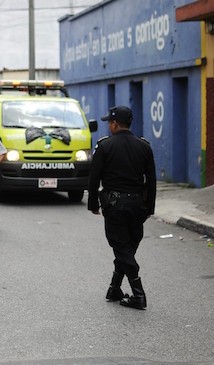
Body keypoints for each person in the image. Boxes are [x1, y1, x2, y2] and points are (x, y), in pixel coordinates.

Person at [88, 105, 156, 310]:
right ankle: (114, 288)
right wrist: (149, 208)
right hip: (138, 206)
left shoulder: (104, 146)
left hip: (114, 206)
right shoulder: (144, 146)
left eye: (110, 122)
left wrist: (93, 204)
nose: (109, 125)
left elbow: (94, 178)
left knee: (122, 249)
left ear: (115, 123)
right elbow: (151, 181)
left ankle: (139, 295)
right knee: (126, 248)